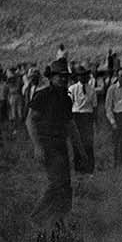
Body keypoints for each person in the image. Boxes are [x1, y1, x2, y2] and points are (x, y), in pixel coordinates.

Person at [27, 59, 80, 220]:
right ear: (51, 77)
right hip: (47, 144)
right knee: (57, 184)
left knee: (66, 185)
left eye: (65, 76)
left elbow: (70, 124)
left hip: (61, 144)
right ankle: (36, 218)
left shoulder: (66, 99)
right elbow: (30, 120)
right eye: (59, 76)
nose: (63, 79)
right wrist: (37, 147)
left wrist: (80, 150)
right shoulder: (42, 95)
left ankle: (61, 220)